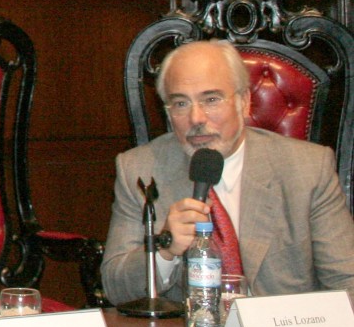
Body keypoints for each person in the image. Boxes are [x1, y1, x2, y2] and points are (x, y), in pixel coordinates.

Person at [102, 39, 354, 305]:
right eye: (180, 104)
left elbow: (347, 282)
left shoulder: (308, 168)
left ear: (243, 102)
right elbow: (115, 288)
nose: (196, 118)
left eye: (211, 99)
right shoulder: (139, 170)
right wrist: (165, 250)